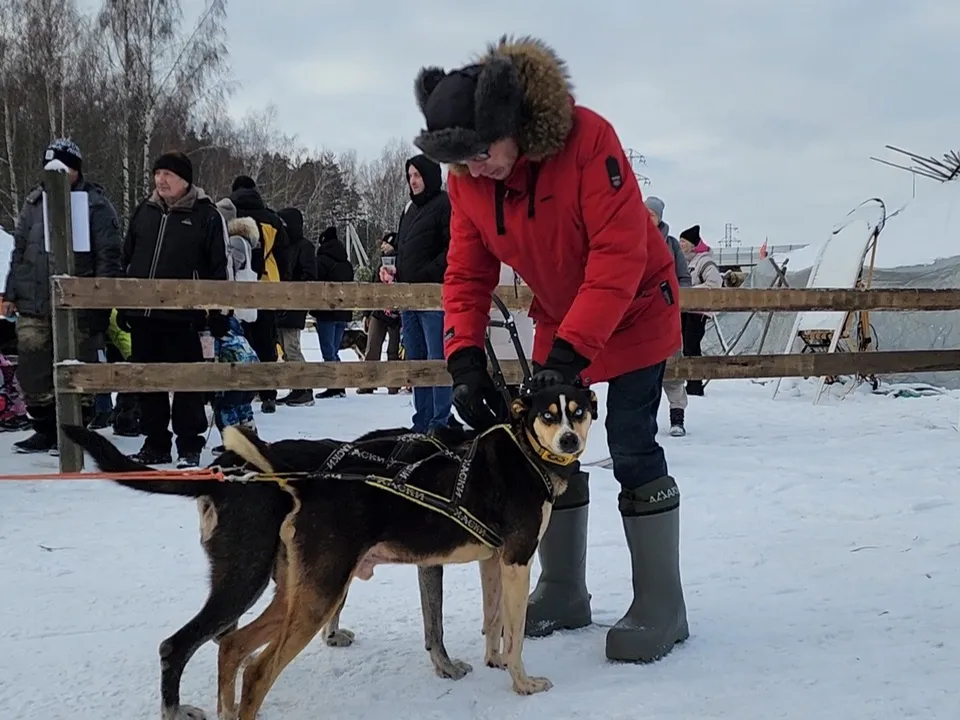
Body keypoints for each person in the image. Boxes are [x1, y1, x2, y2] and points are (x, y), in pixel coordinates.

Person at [411, 35, 688, 663]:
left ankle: (662, 604)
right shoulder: (467, 182)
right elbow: (465, 273)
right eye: (462, 161)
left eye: (484, 152)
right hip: (563, 318)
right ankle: (564, 587)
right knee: (542, 446)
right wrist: (463, 356)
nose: (477, 169)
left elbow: (619, 257)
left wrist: (569, 356)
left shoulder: (589, 142)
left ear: (513, 125)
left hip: (638, 308)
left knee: (631, 443)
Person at [2, 139, 124, 453]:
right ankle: (45, 428)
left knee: (78, 371)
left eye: (63, 167)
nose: (56, 173)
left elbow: (109, 257)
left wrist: (100, 303)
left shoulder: (96, 204)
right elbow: (20, 251)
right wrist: (12, 290)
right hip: (33, 301)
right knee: (32, 371)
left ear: (76, 170)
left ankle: (75, 435)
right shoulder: (33, 203)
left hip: (78, 303)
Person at [120, 151, 229, 468]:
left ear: (185, 180)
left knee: (188, 383)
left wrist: (219, 313)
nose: (161, 180)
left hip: (186, 318)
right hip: (144, 316)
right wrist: (127, 305)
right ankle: (155, 443)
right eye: (157, 174)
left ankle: (189, 445)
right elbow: (127, 260)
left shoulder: (206, 216)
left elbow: (219, 270)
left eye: (168, 174)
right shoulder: (144, 211)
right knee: (147, 382)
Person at [378, 154, 452, 433]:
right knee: (417, 362)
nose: (413, 181)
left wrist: (426, 274)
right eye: (409, 176)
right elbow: (406, 249)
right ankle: (421, 421)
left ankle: (439, 422)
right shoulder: (409, 209)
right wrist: (394, 270)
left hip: (433, 298)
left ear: (430, 176)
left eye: (417, 175)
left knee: (436, 361)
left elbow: (451, 249)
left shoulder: (444, 204)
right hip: (408, 299)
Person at [230, 175, 289, 413]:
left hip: (235, 288)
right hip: (266, 286)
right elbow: (284, 257)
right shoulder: (273, 220)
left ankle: (241, 390)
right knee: (266, 340)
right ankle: (268, 393)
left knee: (238, 340)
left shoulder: (227, 215)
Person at [646, 196, 691, 436]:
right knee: (643, 370)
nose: (646, 218)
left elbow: (684, 277)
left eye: (651, 214)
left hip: (667, 315)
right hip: (641, 317)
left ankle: (677, 417)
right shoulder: (631, 238)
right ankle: (646, 421)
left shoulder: (671, 244)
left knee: (673, 366)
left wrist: (675, 298)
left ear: (659, 217)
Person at [275, 207, 318, 406]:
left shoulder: (304, 247)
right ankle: (297, 387)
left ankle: (303, 388)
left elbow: (309, 275)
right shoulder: (283, 247)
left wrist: (293, 289)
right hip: (282, 304)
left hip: (294, 304)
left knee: (292, 348)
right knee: (285, 348)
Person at [678, 224, 723, 397]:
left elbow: (714, 282)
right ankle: (690, 381)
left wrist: (692, 292)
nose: (681, 244)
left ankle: (695, 385)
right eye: (680, 241)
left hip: (698, 311)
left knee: (692, 346)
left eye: (683, 241)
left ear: (692, 244)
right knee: (685, 346)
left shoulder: (705, 261)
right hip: (686, 309)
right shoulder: (687, 261)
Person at [311, 225, 354, 399]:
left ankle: (334, 384)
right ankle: (339, 384)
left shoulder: (321, 261)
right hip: (343, 312)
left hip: (326, 312)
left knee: (328, 350)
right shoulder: (346, 263)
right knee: (334, 349)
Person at [358, 231, 401, 395]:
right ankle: (368, 381)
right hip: (378, 311)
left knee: (393, 349)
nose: (382, 246)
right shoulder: (380, 264)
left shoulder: (401, 262)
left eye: (385, 243)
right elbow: (372, 288)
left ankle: (393, 383)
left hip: (395, 313)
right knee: (372, 346)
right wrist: (367, 313)